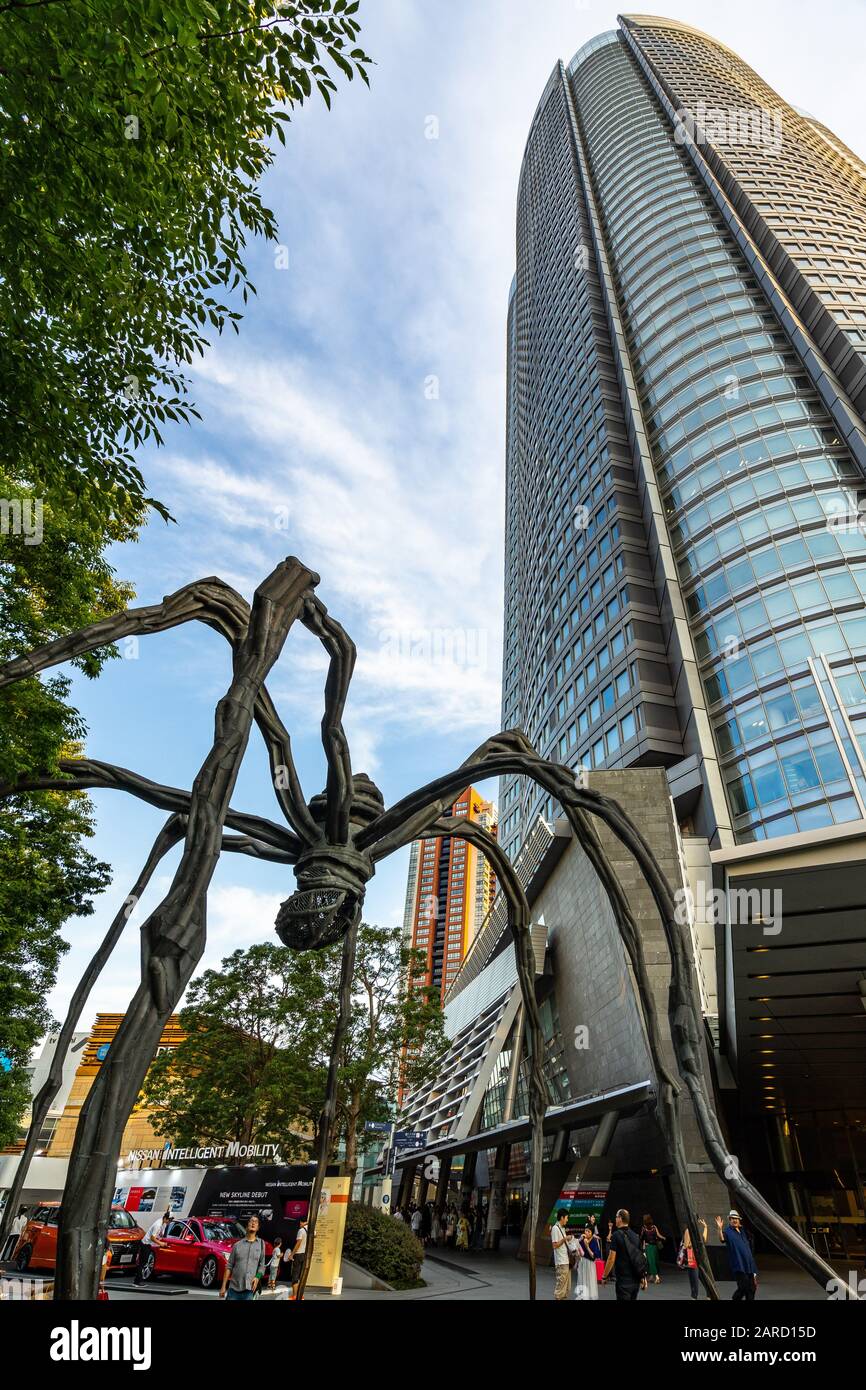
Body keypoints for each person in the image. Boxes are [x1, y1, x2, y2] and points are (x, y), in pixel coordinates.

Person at [602, 1209, 647, 1301]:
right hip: (635, 1281)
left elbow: (611, 1258)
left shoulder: (616, 1235)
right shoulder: (636, 1236)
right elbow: (641, 1258)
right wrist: (643, 1277)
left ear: (620, 1218)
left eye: (616, 1217)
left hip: (623, 1281)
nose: (615, 1219)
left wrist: (604, 1276)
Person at [219, 1214, 266, 1301]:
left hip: (249, 1290)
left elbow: (262, 1265)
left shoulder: (261, 1244)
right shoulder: (237, 1245)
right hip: (233, 1289)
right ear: (247, 1225)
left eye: (256, 1222)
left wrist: (257, 1277)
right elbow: (229, 1266)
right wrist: (223, 1286)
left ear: (258, 1227)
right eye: (251, 1221)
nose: (253, 1223)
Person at [716, 1211, 758, 1300]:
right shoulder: (728, 1231)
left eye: (736, 1218)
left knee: (752, 1289)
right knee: (744, 1287)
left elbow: (749, 1246)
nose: (734, 1220)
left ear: (739, 1220)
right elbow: (722, 1239)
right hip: (739, 1265)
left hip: (749, 1265)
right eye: (732, 1219)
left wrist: (754, 1272)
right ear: (730, 1220)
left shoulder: (743, 1231)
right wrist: (719, 1229)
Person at [134, 1206, 170, 1284]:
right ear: (165, 1219)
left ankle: (138, 1280)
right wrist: (161, 1243)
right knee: (142, 1263)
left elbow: (161, 1234)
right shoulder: (158, 1224)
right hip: (145, 1244)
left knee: (144, 1262)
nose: (168, 1223)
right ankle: (137, 1282)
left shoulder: (163, 1223)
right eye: (168, 1221)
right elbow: (153, 1238)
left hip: (149, 1245)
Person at [678, 1218, 708, 1300]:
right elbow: (704, 1240)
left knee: (693, 1278)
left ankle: (694, 1296)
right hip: (698, 1257)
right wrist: (705, 1227)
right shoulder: (697, 1231)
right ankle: (707, 1294)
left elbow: (687, 1245)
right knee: (700, 1277)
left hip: (693, 1258)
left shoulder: (689, 1231)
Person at [551, 1209, 573, 1301]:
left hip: (565, 1261)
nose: (567, 1220)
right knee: (560, 1289)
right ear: (562, 1217)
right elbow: (554, 1245)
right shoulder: (555, 1228)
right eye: (567, 1218)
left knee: (566, 1288)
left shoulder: (561, 1228)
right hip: (561, 1262)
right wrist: (565, 1239)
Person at [575, 1223, 602, 1301]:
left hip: (590, 1264)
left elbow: (594, 1256)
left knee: (589, 1281)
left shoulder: (594, 1241)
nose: (586, 1233)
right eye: (586, 1231)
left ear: (592, 1233)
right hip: (582, 1262)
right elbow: (576, 1249)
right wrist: (580, 1240)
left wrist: (587, 1246)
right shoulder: (582, 1239)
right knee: (582, 1280)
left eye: (589, 1231)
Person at [640, 1213, 665, 1285]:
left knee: (651, 1262)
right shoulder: (654, 1227)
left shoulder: (644, 1228)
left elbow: (641, 1238)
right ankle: (651, 1276)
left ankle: (657, 1278)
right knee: (654, 1261)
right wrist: (663, 1237)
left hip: (649, 1247)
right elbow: (658, 1235)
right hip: (655, 1247)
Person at [289, 1217, 309, 1300]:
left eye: (300, 1223)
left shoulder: (301, 1230)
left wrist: (291, 1254)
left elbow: (298, 1243)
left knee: (295, 1276)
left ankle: (294, 1296)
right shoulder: (311, 1230)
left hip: (298, 1255)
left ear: (301, 1222)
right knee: (302, 1276)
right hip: (305, 1255)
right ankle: (301, 1296)